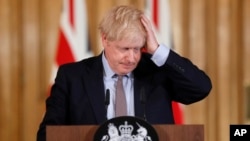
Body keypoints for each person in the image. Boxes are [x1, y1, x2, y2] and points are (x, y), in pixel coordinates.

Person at [37, 5, 212, 141]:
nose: (131, 57)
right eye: (125, 48)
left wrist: (157, 50)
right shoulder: (72, 77)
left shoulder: (157, 71)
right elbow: (48, 134)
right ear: (105, 39)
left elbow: (201, 88)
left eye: (137, 49)